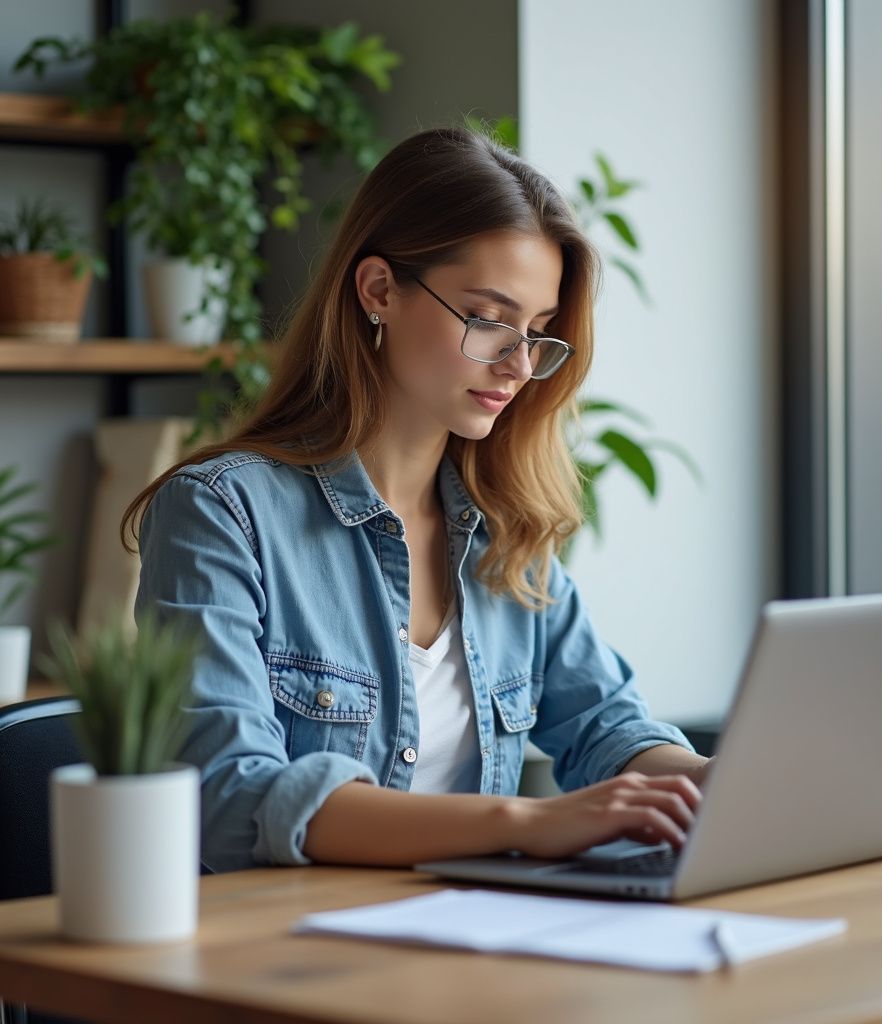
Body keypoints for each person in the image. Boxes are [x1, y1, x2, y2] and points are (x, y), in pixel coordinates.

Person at [123, 125, 712, 874]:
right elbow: (233, 798)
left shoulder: (505, 527)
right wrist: (525, 821)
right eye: (489, 319)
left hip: (465, 948)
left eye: (537, 332)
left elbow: (606, 725)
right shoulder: (222, 513)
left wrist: (711, 782)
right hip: (292, 960)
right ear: (379, 291)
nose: (518, 364)